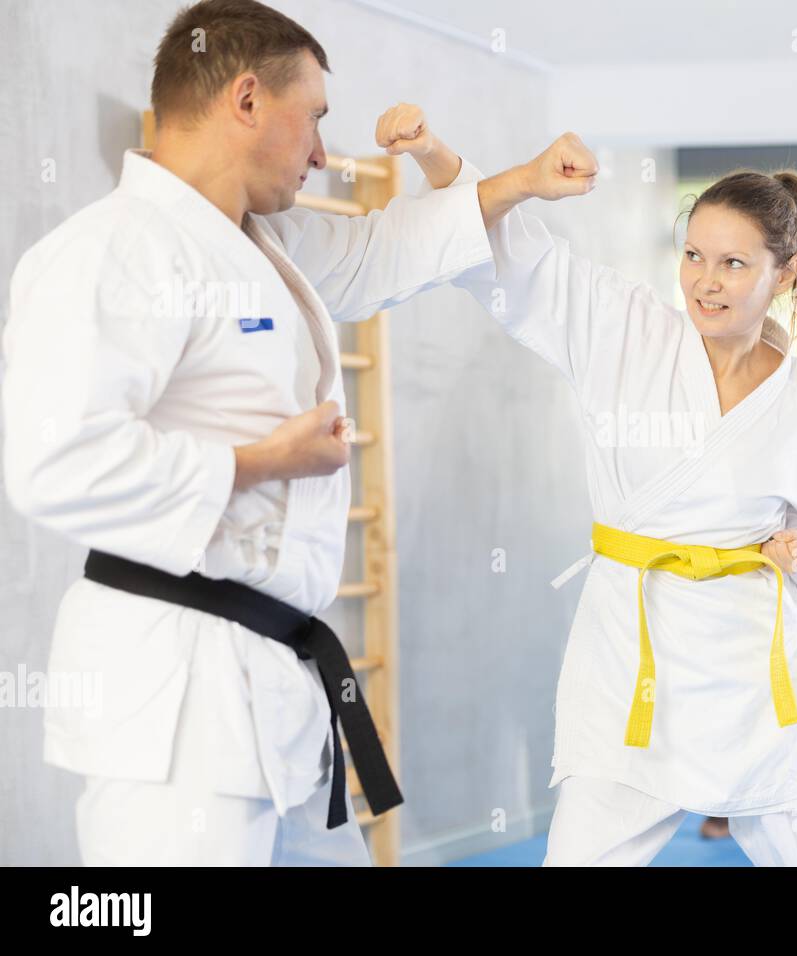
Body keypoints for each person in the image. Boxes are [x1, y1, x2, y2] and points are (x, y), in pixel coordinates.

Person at [3, 0, 583, 865]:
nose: (320, 150)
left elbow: (385, 250)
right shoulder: (113, 250)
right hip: (173, 704)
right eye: (312, 118)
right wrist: (257, 462)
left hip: (277, 689)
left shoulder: (261, 242)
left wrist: (523, 180)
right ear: (245, 100)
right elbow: (53, 460)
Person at [449, 147, 797, 865]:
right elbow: (527, 262)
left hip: (751, 649)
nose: (706, 282)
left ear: (784, 273)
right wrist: (439, 159)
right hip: (635, 648)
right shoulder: (627, 331)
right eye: (694, 254)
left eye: (733, 264)